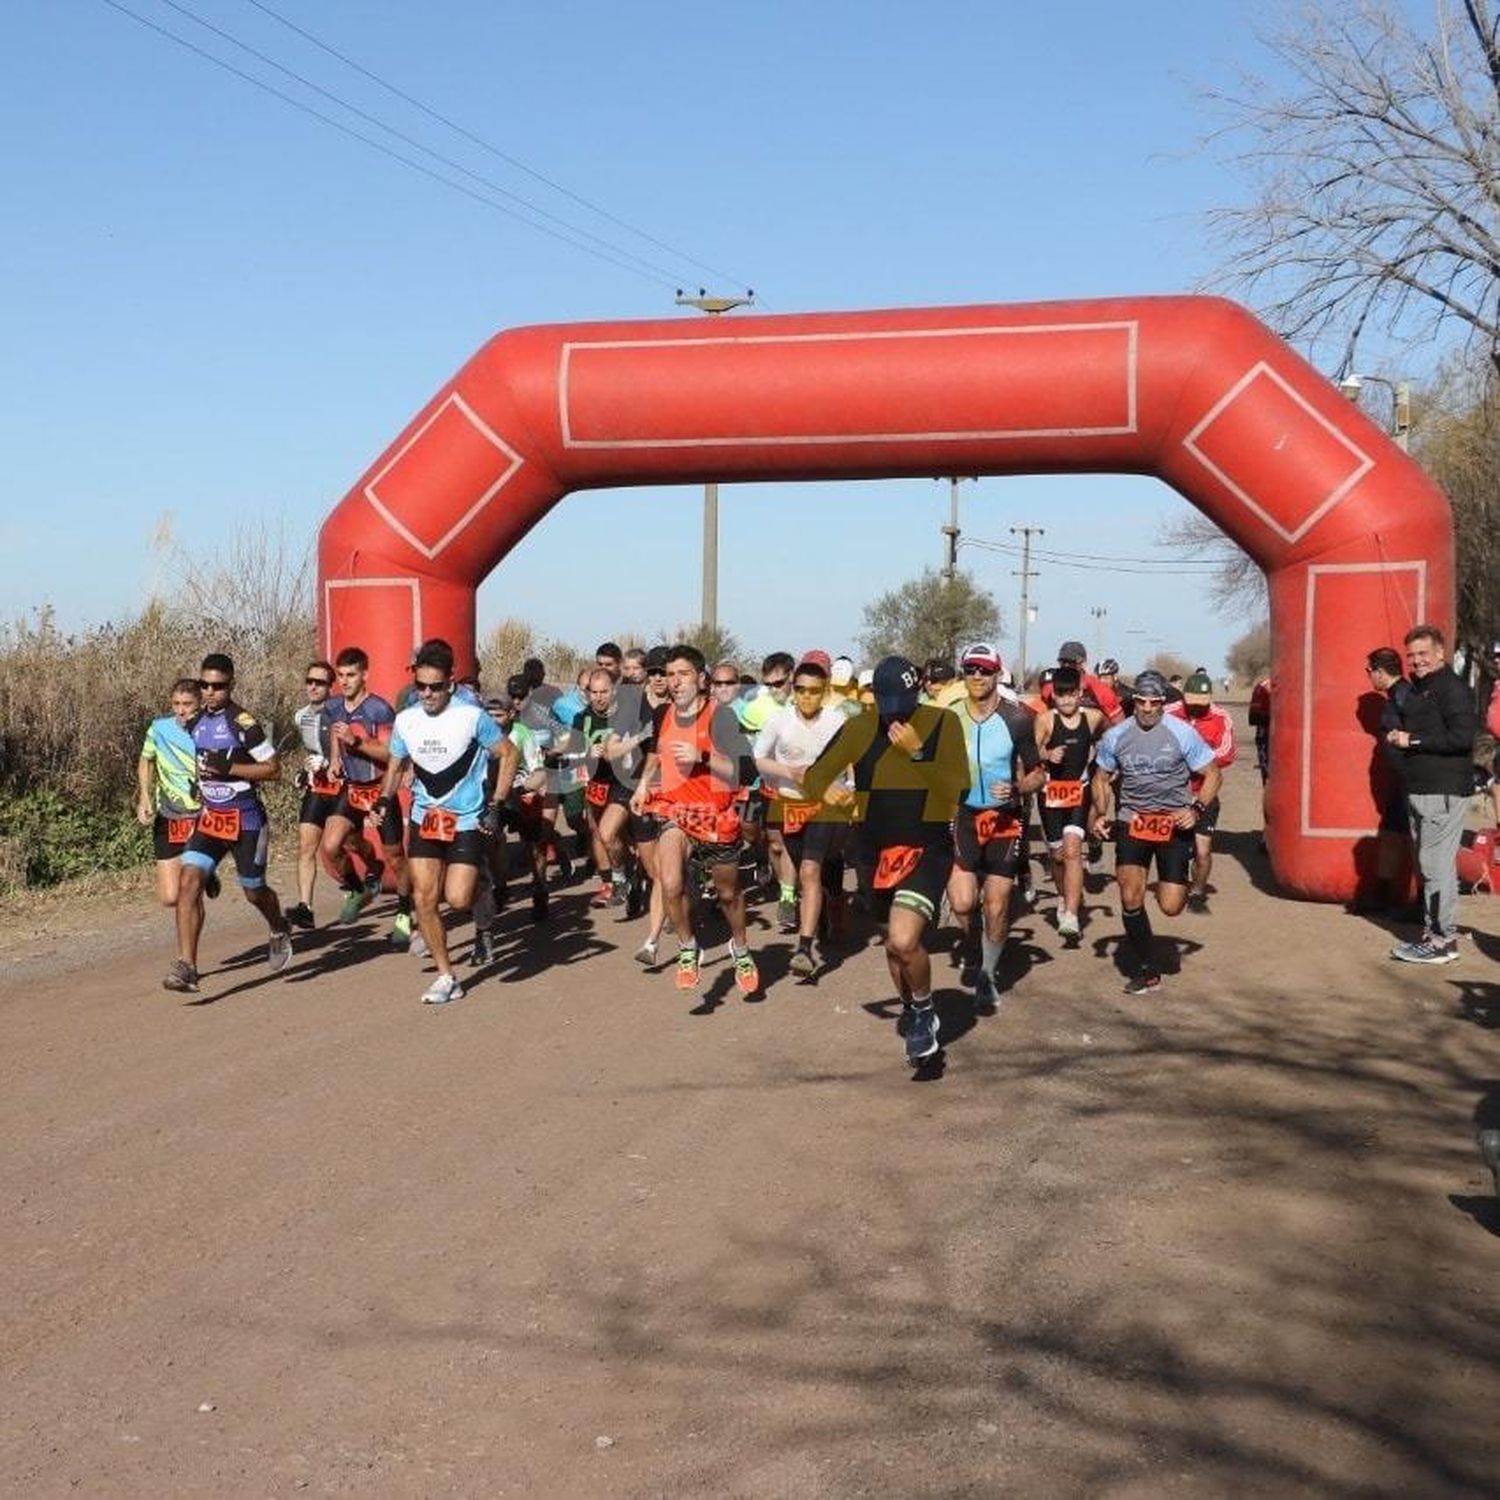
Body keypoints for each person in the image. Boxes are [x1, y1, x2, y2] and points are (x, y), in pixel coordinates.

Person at [803, 655, 970, 1065]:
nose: (894, 710)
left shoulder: (941, 723)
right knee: (895, 952)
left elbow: (958, 792)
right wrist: (830, 792)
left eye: (902, 700)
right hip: (872, 852)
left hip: (926, 849)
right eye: (886, 701)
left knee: (903, 939)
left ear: (917, 693)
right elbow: (814, 775)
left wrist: (918, 755)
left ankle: (925, 1008)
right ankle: (915, 1012)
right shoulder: (860, 725)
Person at [374, 638, 518, 1004]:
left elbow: (508, 753)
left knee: (456, 899)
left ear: (450, 684)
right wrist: (384, 798)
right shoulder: (406, 720)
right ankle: (446, 976)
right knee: (424, 897)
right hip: (425, 817)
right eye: (421, 686)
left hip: (467, 819)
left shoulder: (471, 716)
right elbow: (395, 766)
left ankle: (481, 886)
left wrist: (497, 804)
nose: (427, 694)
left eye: (435, 687)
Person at [629, 643, 759, 995]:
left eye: (683, 674)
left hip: (716, 815)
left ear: (701, 679)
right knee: (669, 882)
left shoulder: (721, 717)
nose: (675, 682)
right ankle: (688, 947)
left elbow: (743, 771)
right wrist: (643, 786)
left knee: (729, 894)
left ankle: (741, 947)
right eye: (670, 675)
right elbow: (656, 753)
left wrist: (703, 756)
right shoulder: (663, 714)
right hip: (676, 812)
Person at [163, 654, 292, 993]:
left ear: (231, 685)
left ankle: (278, 925)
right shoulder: (195, 721)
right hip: (210, 820)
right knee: (188, 883)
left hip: (246, 820)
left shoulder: (243, 723)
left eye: (218, 686)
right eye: (204, 684)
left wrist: (229, 768)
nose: (210, 692)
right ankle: (186, 966)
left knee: (253, 892)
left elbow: (274, 769)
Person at [1090, 669, 1221, 995]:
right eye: (1142, 702)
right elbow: (1101, 778)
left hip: (1172, 822)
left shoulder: (1182, 734)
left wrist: (1195, 810)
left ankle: (1183, 882)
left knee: (1171, 905)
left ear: (1163, 702)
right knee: (1130, 895)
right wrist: (1101, 813)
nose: (1147, 709)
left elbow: (1213, 775)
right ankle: (1149, 969)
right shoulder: (1116, 736)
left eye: (1154, 703)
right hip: (1132, 820)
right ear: (1134, 701)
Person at [943, 643, 1043, 1011]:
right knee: (963, 902)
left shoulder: (1017, 719)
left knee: (997, 905)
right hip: (965, 816)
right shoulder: (950, 716)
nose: (977, 677)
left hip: (1004, 819)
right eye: (971, 669)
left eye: (985, 670)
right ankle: (974, 945)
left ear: (998, 675)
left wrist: (1018, 788)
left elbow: (1038, 773)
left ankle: (987, 974)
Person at [754, 656, 852, 976]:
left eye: (813, 691)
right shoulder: (779, 721)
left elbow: (852, 760)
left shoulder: (836, 720)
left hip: (825, 805)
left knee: (810, 870)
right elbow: (759, 758)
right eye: (800, 690)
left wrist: (850, 788)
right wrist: (788, 772)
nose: (806, 696)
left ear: (823, 692)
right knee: (804, 868)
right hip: (788, 806)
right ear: (794, 690)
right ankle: (824, 907)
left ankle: (804, 948)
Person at [1386, 624, 1477, 964]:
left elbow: (1462, 738)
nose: (1417, 661)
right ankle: (1438, 934)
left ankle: (1441, 941)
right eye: (1411, 656)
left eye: (1423, 654)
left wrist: (1413, 741)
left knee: (1434, 864)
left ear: (1441, 653)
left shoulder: (1451, 689)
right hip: (1422, 789)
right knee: (1433, 866)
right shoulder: (1423, 688)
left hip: (1444, 790)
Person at [320, 647, 412, 942]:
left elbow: (392, 754)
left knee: (396, 857)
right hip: (353, 789)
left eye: (351, 675)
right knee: (333, 845)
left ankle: (404, 912)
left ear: (365, 675)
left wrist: (355, 741)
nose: (344, 681)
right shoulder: (334, 706)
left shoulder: (379, 710)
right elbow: (338, 731)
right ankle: (360, 888)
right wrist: (335, 759)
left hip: (379, 790)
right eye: (341, 675)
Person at [1031, 663, 1105, 940]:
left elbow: (1111, 735)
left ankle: (1072, 916)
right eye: (1060, 695)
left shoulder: (1094, 717)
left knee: (1074, 850)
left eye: (1071, 694)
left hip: (1079, 791)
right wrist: (1046, 754)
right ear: (1053, 696)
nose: (1066, 700)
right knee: (1058, 855)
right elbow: (1030, 753)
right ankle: (1063, 896)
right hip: (1050, 794)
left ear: (1080, 691)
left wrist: (1103, 761)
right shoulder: (1046, 720)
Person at [1165, 669, 1236, 912]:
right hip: (1173, 794)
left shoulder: (1221, 718)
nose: (1196, 709)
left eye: (1202, 705)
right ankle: (1176, 885)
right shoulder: (1168, 713)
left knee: (1202, 852)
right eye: (1191, 704)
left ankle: (1197, 891)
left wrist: (1196, 759)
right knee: (1176, 847)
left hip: (1204, 792)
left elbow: (1226, 754)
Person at [136, 678, 210, 911]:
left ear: (200, 703)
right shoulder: (159, 729)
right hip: (169, 815)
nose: (181, 710)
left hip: (203, 816)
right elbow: (146, 759)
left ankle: (190, 943)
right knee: (170, 897)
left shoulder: (212, 729)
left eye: (187, 704)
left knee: (190, 889)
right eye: (176, 703)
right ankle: (206, 879)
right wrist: (145, 797)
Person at [286, 660, 349, 929]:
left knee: (338, 847)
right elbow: (312, 752)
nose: (312, 687)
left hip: (344, 787)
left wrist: (331, 763)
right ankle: (305, 907)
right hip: (318, 787)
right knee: (306, 847)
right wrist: (306, 771)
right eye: (309, 681)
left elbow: (351, 753)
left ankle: (357, 883)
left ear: (330, 686)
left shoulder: (339, 713)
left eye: (320, 683)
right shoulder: (301, 716)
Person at [1358, 647, 1414, 913]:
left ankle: (1421, 903)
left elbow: (1423, 734)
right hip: (1401, 781)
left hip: (1413, 780)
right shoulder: (1396, 696)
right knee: (1392, 833)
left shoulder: (1406, 696)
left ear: (1380, 671)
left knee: (1417, 839)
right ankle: (1382, 895)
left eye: (1369, 671)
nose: (1369, 677)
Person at [1043, 640, 1124, 723]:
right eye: (1063, 662)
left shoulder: (1099, 689)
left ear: (1083, 663)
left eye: (1072, 662)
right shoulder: (1049, 687)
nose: (1066, 666)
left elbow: (1120, 725)